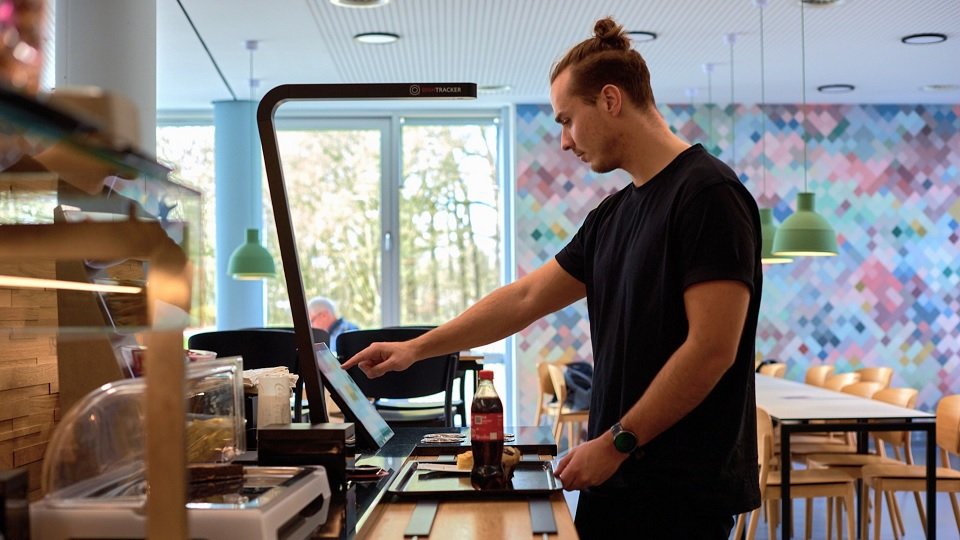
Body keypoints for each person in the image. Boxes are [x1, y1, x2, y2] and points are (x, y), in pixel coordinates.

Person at [343, 17, 762, 539]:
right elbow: (525, 297)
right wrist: (417, 349)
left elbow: (711, 349)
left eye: (567, 120)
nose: (564, 141)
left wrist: (616, 443)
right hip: (619, 479)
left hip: (680, 490)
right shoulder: (611, 216)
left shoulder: (707, 195)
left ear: (610, 100)